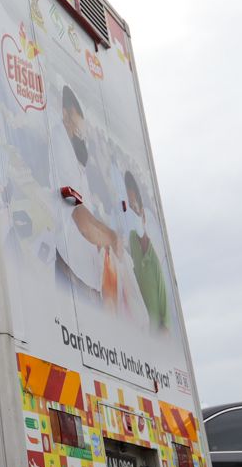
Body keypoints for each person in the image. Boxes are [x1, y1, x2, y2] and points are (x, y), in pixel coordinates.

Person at [50, 86, 120, 306]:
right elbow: (77, 212)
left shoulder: (70, 145)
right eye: (78, 115)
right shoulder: (59, 145)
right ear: (66, 113)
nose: (81, 123)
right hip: (72, 270)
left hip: (83, 273)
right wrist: (110, 236)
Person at [123, 171, 169, 331]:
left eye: (134, 207)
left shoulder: (151, 232)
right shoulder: (133, 236)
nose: (131, 212)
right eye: (129, 207)